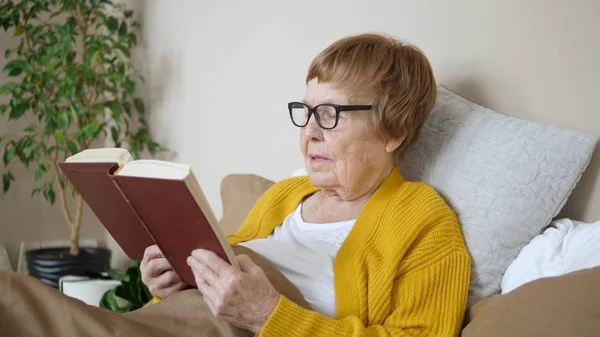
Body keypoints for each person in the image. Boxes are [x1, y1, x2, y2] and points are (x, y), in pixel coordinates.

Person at [141, 32, 472, 337]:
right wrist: (173, 287)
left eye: (330, 114)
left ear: (394, 131)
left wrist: (266, 314)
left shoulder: (424, 221)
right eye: (307, 111)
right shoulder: (285, 194)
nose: (309, 132)